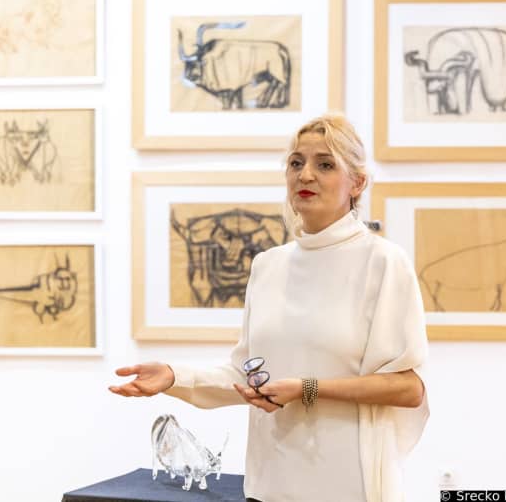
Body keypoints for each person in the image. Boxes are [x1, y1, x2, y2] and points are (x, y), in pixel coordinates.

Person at [110, 114, 429, 502]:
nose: (305, 175)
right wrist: (174, 376)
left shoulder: (383, 262)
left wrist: (307, 388)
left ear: (357, 183)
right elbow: (245, 376)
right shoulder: (267, 265)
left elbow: (408, 388)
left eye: (325, 164)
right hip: (268, 487)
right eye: (296, 163)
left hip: (348, 487)